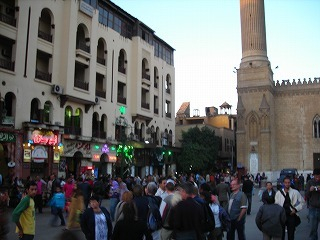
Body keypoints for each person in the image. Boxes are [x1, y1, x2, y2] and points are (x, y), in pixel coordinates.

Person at [275, 176, 305, 240]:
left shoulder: (295, 192)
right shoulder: (278, 193)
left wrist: (296, 209)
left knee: (291, 234)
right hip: (282, 215)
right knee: (281, 234)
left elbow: (302, 202)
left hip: (291, 215)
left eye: (288, 182)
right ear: (283, 183)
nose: (287, 184)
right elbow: (275, 204)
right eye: (286, 183)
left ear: (290, 183)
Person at [305, 168, 320, 240]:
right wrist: (310, 190)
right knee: (313, 229)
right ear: (313, 176)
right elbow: (306, 195)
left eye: (319, 176)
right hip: (313, 208)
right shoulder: (310, 182)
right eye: (316, 176)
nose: (317, 178)